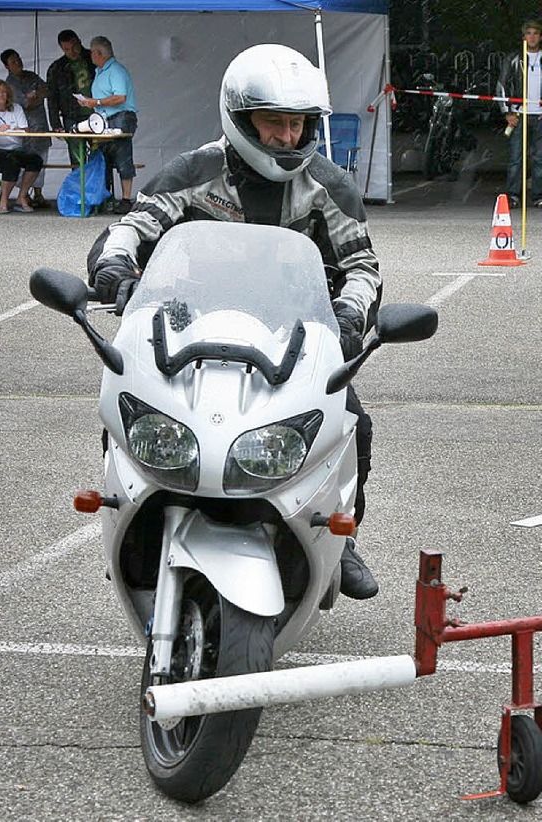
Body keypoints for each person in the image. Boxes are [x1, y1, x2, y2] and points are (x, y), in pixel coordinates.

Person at [86, 44, 382, 601]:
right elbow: (132, 226)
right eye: (273, 123)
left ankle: (341, 540)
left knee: (355, 425)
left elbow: (363, 265)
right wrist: (116, 270)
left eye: (296, 124)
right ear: (242, 119)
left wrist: (347, 316)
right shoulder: (195, 171)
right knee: (128, 409)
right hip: (191, 329)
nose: (286, 137)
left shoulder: (329, 185)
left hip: (294, 336)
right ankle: (133, 526)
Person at [79, 35, 138, 215]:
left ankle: (126, 199)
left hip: (121, 117)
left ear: (98, 53)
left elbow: (120, 97)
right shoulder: (100, 71)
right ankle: (105, 198)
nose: (90, 56)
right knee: (102, 157)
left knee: (122, 156)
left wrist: (95, 103)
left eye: (91, 53)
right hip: (104, 119)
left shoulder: (116, 70)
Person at [0, 79, 43, 214]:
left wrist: (18, 130)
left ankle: (22, 196)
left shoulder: (16, 108)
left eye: (4, 92)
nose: (1, 95)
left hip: (15, 149)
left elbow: (26, 129)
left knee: (36, 160)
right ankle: (4, 200)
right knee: (11, 162)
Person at [496, 19, 542, 209]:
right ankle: (513, 196)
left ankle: (538, 196)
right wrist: (508, 112)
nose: (532, 37)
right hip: (518, 116)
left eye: (536, 33)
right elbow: (501, 86)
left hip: (539, 116)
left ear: (540, 36)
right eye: (528, 33)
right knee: (516, 159)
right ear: (523, 37)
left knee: (540, 159)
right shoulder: (513, 58)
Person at [0, 48, 51, 209]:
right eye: (13, 61)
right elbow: (26, 104)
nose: (18, 62)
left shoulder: (31, 75)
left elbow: (46, 90)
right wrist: (36, 98)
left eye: (18, 58)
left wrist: (35, 95)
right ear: (7, 66)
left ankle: (38, 194)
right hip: (25, 129)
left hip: (40, 126)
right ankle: (25, 194)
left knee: (42, 159)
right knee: (27, 161)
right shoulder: (10, 84)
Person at [46, 29, 95, 165]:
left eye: (74, 48)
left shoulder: (94, 59)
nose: (72, 52)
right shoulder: (56, 68)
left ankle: (101, 186)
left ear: (79, 42)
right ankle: (79, 186)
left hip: (97, 115)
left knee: (99, 156)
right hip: (71, 116)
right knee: (77, 159)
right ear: (62, 48)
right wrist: (55, 124)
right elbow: (52, 97)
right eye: (67, 49)